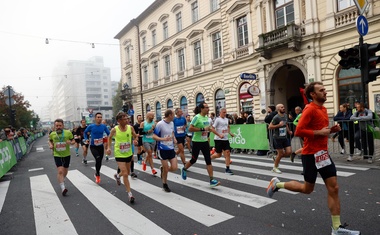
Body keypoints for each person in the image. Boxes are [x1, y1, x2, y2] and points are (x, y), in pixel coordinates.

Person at [266, 82, 360, 235]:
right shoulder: (309, 109)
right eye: (321, 90)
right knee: (307, 189)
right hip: (310, 155)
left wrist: (330, 130)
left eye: (325, 90)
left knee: (334, 188)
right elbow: (300, 131)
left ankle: (336, 228)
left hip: (323, 154)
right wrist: (320, 133)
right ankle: (278, 184)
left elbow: (321, 130)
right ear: (313, 95)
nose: (325, 92)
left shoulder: (323, 108)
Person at [181, 102, 221, 188]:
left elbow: (209, 128)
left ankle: (212, 180)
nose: (208, 109)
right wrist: (202, 129)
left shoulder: (207, 117)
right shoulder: (197, 117)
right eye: (206, 107)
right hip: (196, 142)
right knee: (194, 160)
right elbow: (190, 128)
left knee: (208, 160)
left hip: (205, 142)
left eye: (208, 107)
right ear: (201, 109)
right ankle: (184, 169)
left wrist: (218, 134)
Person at [107, 112, 137, 203]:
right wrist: (108, 147)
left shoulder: (130, 128)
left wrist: (135, 139)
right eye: (124, 119)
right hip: (119, 154)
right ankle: (130, 194)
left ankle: (117, 175)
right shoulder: (114, 129)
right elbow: (109, 137)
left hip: (128, 153)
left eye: (127, 118)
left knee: (127, 172)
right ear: (119, 121)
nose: (127, 120)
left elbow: (135, 136)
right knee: (125, 173)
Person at [153, 109, 178, 192]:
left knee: (174, 167)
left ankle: (163, 169)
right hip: (162, 149)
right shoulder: (160, 124)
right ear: (170, 115)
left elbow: (172, 133)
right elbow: (154, 136)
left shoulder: (172, 123)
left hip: (171, 148)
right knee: (166, 168)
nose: (174, 116)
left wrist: (174, 139)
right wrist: (163, 139)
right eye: (173, 114)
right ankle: (165, 184)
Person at [48, 118, 75, 196]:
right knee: (60, 171)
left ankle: (62, 179)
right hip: (57, 154)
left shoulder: (68, 133)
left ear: (63, 125)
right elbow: (50, 140)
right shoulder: (52, 134)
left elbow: (73, 141)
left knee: (65, 171)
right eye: (57, 126)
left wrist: (70, 142)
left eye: (60, 125)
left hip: (66, 154)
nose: (58, 127)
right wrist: (50, 144)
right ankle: (63, 188)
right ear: (54, 126)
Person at [84, 112, 110, 184]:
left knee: (99, 161)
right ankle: (98, 175)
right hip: (93, 146)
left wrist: (110, 138)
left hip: (100, 146)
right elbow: (85, 132)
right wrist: (86, 139)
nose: (99, 118)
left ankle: (96, 173)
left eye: (100, 117)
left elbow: (109, 133)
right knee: (97, 158)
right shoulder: (91, 126)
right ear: (95, 118)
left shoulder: (103, 126)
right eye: (98, 117)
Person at [268, 104, 293, 173]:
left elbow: (286, 124)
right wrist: (278, 125)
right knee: (281, 153)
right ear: (278, 109)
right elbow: (270, 127)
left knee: (289, 152)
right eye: (282, 107)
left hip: (284, 137)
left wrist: (289, 131)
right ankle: (275, 167)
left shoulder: (285, 115)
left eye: (283, 107)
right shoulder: (276, 117)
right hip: (277, 138)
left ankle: (276, 158)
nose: (284, 108)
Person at [211, 108, 235, 174]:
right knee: (219, 155)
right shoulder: (217, 120)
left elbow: (228, 127)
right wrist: (219, 135)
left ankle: (227, 169)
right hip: (218, 139)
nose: (225, 114)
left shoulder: (226, 119)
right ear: (220, 113)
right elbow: (212, 129)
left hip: (225, 139)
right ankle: (210, 158)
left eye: (225, 112)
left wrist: (230, 133)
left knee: (227, 152)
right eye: (224, 112)